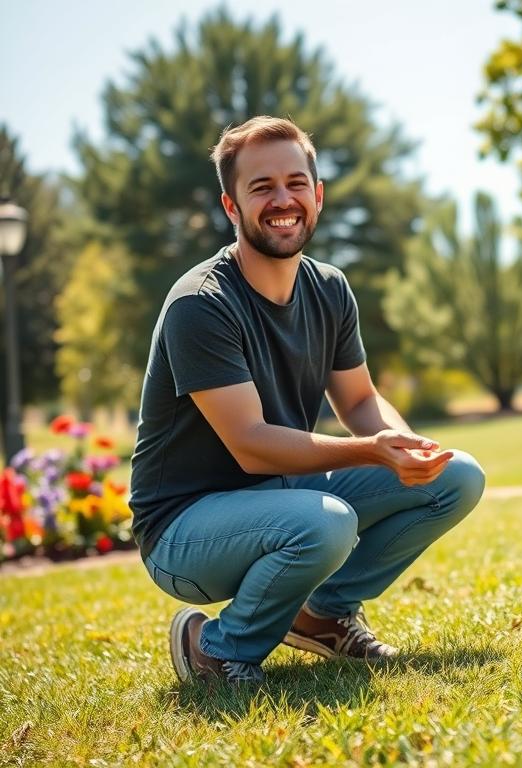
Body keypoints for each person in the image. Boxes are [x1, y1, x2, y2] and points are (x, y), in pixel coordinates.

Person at [130, 116, 485, 685]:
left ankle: (321, 614)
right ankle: (214, 646)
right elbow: (251, 447)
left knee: (457, 476)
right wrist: (371, 452)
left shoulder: (329, 288)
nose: (282, 199)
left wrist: (407, 446)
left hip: (284, 496)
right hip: (184, 529)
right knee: (326, 524)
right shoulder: (200, 303)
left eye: (296, 183)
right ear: (231, 207)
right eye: (261, 187)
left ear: (317, 196)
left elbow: (361, 399)